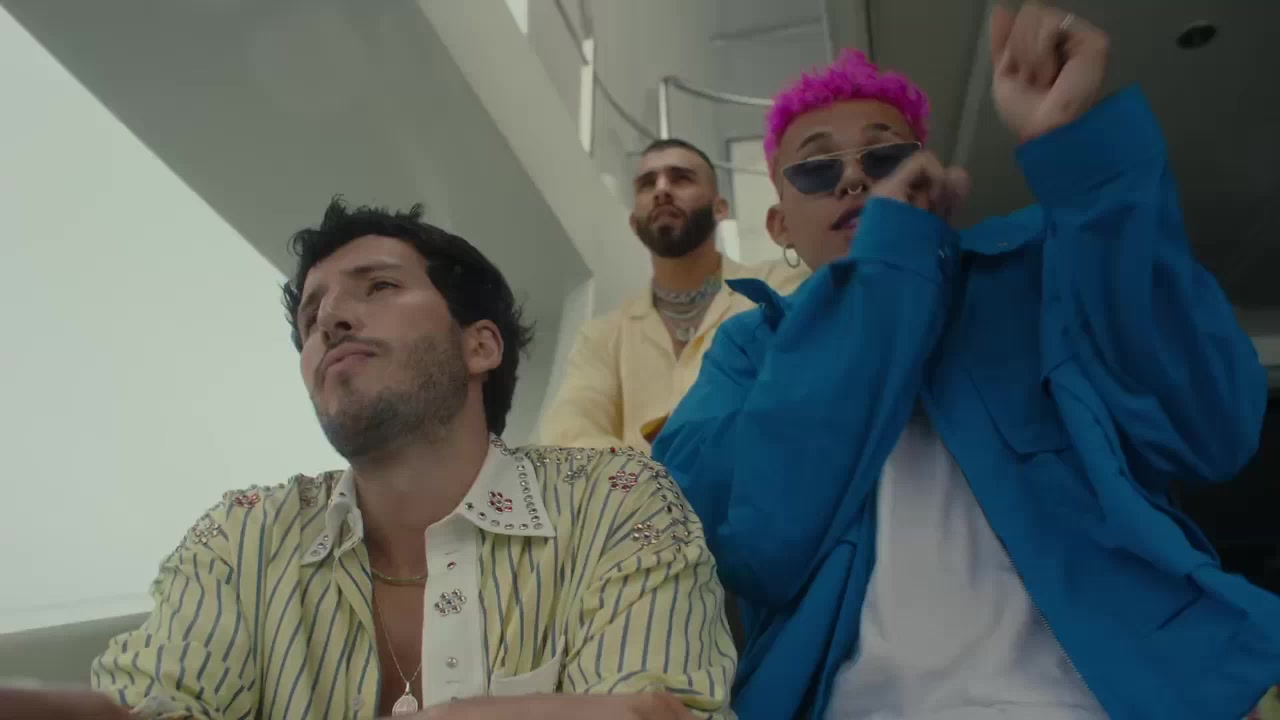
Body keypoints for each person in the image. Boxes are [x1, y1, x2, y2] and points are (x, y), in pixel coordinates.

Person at [652, 4, 1280, 720]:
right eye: (818, 169)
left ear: (929, 174)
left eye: (884, 157)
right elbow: (742, 547)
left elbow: (1210, 427)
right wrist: (887, 272)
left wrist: (1071, 144)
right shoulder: (744, 350)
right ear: (779, 226)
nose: (854, 178)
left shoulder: (1034, 273)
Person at [16, 199, 735, 720]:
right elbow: (157, 702)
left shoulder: (616, 501)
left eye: (380, 286)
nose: (329, 320)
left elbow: (664, 714)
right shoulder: (240, 539)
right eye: (310, 317)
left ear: (480, 345)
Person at [538, 138, 807, 450]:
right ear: (633, 223)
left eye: (681, 178)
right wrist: (648, 475)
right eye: (647, 183)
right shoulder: (602, 336)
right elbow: (569, 434)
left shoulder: (780, 287)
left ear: (720, 208)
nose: (661, 190)